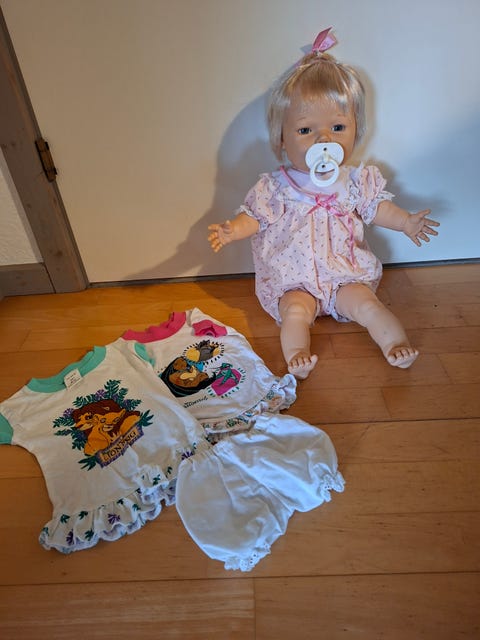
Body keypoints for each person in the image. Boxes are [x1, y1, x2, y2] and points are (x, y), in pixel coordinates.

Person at [208, 27, 439, 379]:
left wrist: (405, 222)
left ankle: (395, 343)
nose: (324, 140)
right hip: (294, 280)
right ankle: (297, 355)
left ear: (355, 130)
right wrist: (232, 229)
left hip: (343, 272)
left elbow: (376, 208)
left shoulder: (355, 181)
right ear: (282, 139)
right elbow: (255, 217)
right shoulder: (276, 187)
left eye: (337, 128)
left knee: (367, 304)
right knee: (295, 311)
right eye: (306, 131)